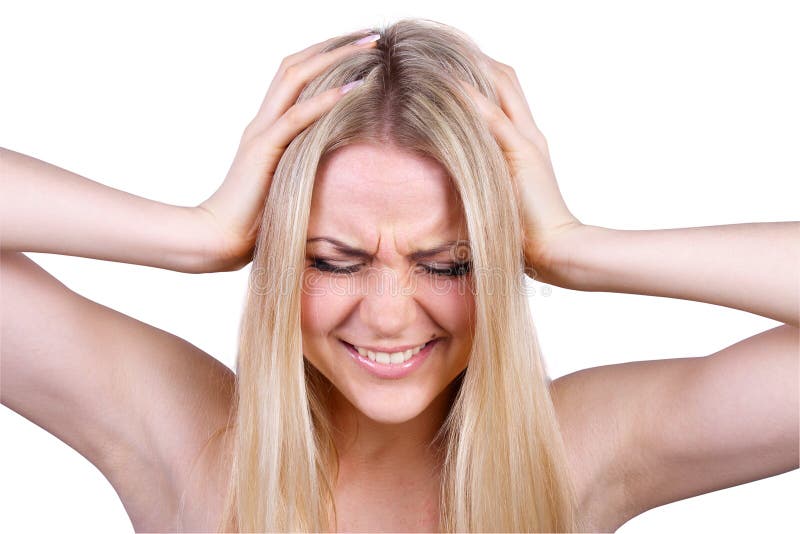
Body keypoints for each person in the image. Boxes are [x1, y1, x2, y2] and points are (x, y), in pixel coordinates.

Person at [1, 17, 797, 533]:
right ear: (276, 255)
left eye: (449, 263)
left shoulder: (577, 449)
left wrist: (574, 245)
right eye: (332, 261)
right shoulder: (185, 436)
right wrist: (194, 233)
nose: (388, 316)